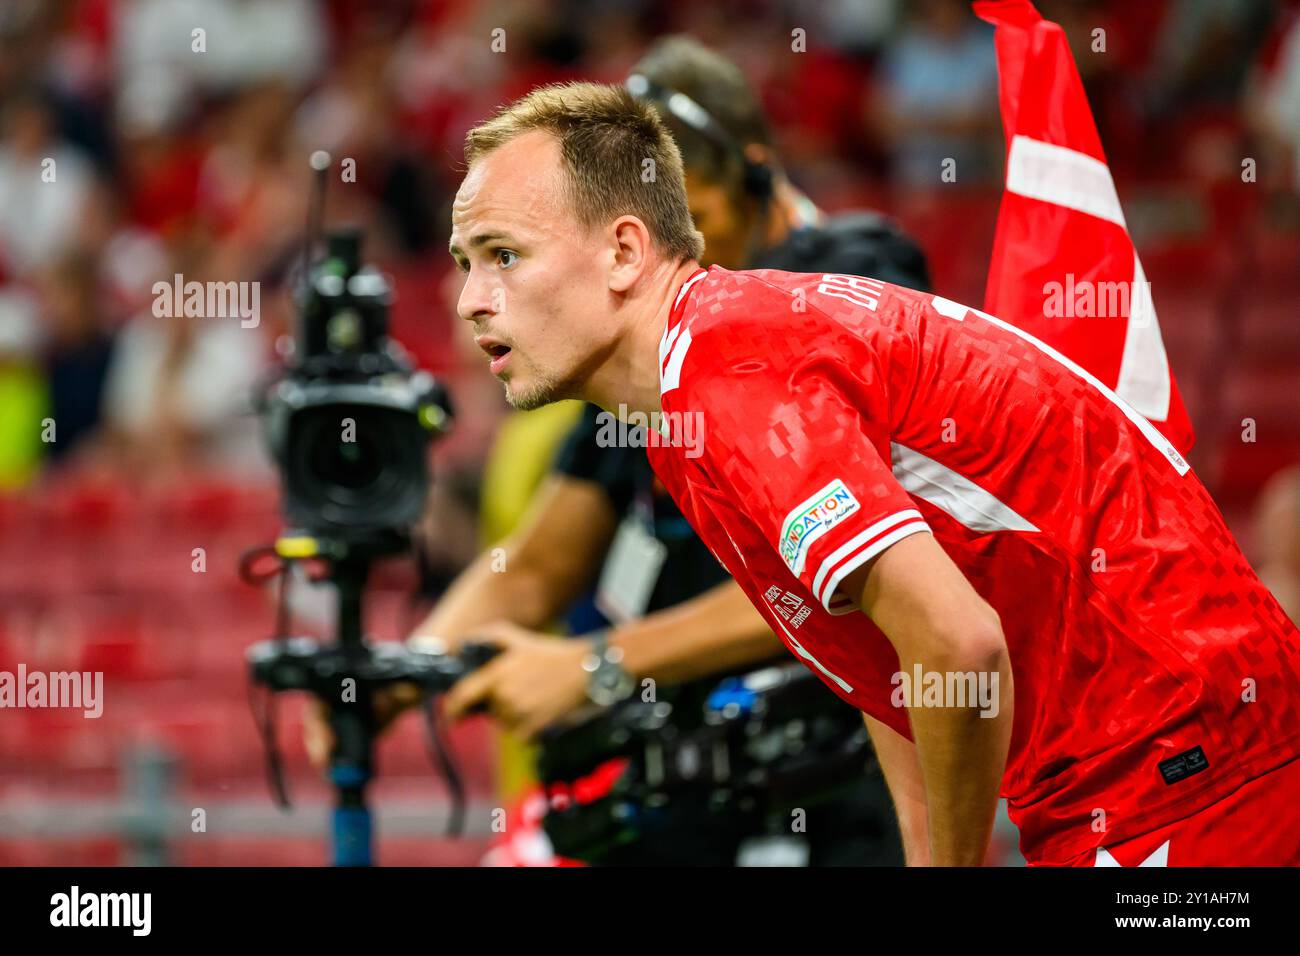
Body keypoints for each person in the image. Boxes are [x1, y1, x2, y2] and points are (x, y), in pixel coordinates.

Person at [442, 81, 1300, 867]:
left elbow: (958, 644)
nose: (471, 298)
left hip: (1191, 770)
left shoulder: (730, 367)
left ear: (626, 252)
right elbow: (893, 659)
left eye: (503, 255)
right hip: (1147, 774)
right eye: (462, 262)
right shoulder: (684, 406)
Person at [307, 37, 931, 866]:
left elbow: (849, 575)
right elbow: (535, 566)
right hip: (674, 773)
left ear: (752, 174)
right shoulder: (639, 358)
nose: (686, 252)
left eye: (695, 214)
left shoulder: (853, 275)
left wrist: (597, 665)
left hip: (823, 780)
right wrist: (408, 668)